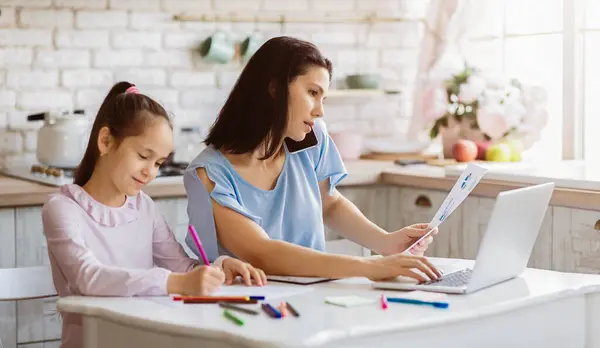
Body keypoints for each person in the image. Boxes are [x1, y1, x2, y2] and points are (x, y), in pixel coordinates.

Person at [184, 36, 441, 282]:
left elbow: (329, 203)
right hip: (249, 304)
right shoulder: (209, 174)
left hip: (313, 294)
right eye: (312, 93)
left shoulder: (311, 139)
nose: (319, 111)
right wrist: (369, 267)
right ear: (274, 88)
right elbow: (259, 252)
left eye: (323, 98)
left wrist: (386, 243)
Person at [41, 82, 266, 348]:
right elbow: (88, 277)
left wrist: (219, 267)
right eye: (143, 156)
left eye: (158, 162)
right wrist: (176, 283)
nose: (151, 172)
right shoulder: (63, 208)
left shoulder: (143, 206)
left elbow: (181, 268)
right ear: (105, 141)